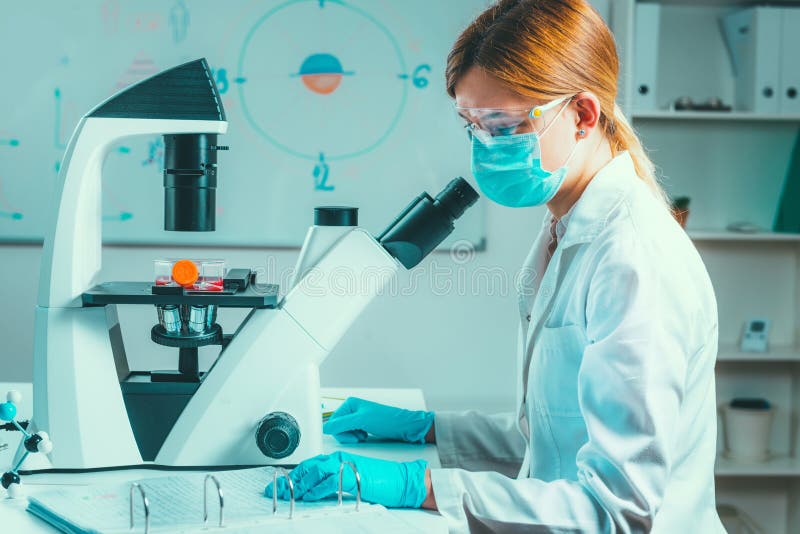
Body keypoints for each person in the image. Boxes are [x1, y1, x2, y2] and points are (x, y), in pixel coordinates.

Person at [266, 0, 725, 531]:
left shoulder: (632, 259)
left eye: (504, 126)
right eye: (473, 125)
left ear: (582, 114)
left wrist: (419, 486)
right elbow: (553, 439)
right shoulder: (566, 230)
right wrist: (429, 428)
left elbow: (615, 510)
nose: (486, 145)